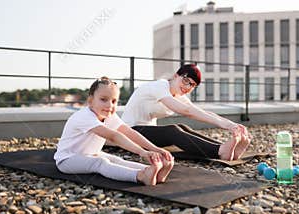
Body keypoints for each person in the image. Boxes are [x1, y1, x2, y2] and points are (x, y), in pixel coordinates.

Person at [54, 77, 174, 186]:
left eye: (114, 101)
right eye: (103, 99)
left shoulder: (108, 115)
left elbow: (129, 132)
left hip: (91, 153)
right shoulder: (84, 116)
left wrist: (155, 149)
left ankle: (152, 171)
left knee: (116, 160)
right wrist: (142, 152)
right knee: (100, 163)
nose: (109, 105)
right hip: (68, 160)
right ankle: (140, 176)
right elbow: (114, 136)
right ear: (90, 101)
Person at [121, 64, 252, 161]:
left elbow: (199, 111)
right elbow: (186, 111)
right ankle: (219, 151)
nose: (188, 87)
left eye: (192, 85)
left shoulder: (178, 95)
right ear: (175, 76)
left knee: (184, 128)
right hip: (130, 133)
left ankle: (224, 148)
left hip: (147, 134)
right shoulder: (159, 86)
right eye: (186, 81)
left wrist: (231, 124)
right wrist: (225, 126)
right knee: (172, 131)